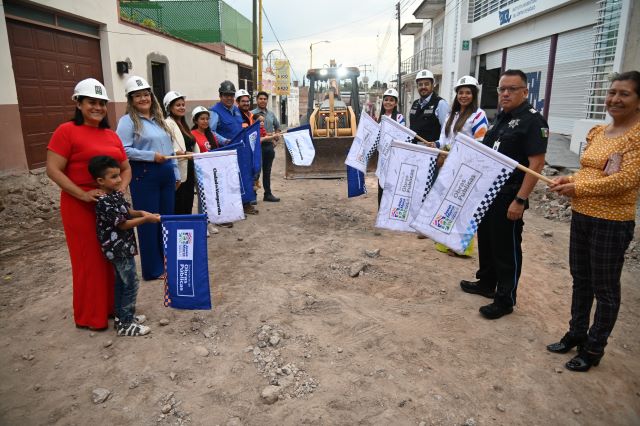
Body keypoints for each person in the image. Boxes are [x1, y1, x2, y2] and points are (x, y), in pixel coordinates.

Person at [546, 71, 640, 372]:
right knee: (581, 280)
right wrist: (568, 179)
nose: (614, 99)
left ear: (638, 101)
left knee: (605, 288)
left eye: (624, 93)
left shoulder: (637, 136)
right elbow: (589, 171)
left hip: (612, 222)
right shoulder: (600, 131)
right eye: (612, 92)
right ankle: (576, 333)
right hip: (582, 215)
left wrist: (579, 188)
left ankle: (594, 347)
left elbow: (626, 180)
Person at [459, 69, 548, 320]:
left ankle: (505, 299)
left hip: (510, 195)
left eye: (512, 89)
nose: (505, 94)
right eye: (502, 89)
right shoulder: (501, 118)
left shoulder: (533, 121)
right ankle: (487, 283)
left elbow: (536, 164)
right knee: (487, 240)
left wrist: (520, 199)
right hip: (489, 192)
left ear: (525, 92)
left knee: (506, 247)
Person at [46, 78, 127, 331]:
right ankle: (91, 316)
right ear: (78, 103)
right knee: (88, 260)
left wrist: (120, 188)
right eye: (92, 102)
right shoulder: (66, 131)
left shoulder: (111, 135)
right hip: (80, 206)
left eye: (102, 103)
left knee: (110, 257)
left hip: (108, 206)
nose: (98, 107)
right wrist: (82, 195)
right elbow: (53, 170)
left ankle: (110, 307)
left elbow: (125, 167)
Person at [116, 75, 179, 280]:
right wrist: (151, 156)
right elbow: (123, 150)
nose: (143, 99)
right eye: (137, 96)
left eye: (146, 94)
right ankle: (153, 269)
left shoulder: (159, 120)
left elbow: (170, 149)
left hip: (166, 173)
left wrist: (176, 173)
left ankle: (168, 262)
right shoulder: (127, 122)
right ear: (131, 99)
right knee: (149, 221)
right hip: (145, 175)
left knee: (166, 219)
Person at [89, 156, 158, 336]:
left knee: (122, 282)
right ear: (100, 181)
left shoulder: (116, 194)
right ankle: (126, 324)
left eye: (119, 175)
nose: (120, 179)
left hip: (125, 246)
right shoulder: (104, 201)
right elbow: (122, 224)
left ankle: (122, 317)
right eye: (113, 177)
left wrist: (141, 213)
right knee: (131, 284)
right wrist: (146, 220)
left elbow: (128, 212)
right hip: (117, 249)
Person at [434, 76, 489, 257]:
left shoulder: (479, 115)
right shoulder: (451, 114)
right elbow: (444, 138)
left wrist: (457, 153)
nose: (464, 96)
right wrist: (436, 146)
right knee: (448, 203)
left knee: (464, 206)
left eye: (468, 93)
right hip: (449, 166)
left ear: (474, 95)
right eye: (461, 92)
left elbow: (480, 142)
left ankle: (462, 247)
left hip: (467, 167)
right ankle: (446, 242)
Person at [209, 81, 258, 215]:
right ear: (220, 96)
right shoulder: (215, 112)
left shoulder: (236, 110)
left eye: (231, 95)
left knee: (243, 177)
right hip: (226, 152)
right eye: (226, 95)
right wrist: (224, 141)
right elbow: (211, 131)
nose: (229, 98)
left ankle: (245, 203)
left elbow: (241, 126)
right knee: (228, 180)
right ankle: (231, 208)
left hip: (240, 151)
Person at [164, 91, 200, 215]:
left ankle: (187, 226)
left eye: (183, 105)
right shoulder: (167, 123)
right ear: (169, 108)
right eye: (178, 105)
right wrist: (184, 153)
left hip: (189, 169)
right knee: (179, 204)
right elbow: (166, 148)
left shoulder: (183, 123)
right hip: (178, 171)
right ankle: (180, 227)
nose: (182, 107)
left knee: (188, 202)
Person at [376, 88, 406, 207]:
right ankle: (381, 210)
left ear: (396, 103)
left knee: (392, 185)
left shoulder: (399, 118)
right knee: (381, 184)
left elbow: (402, 136)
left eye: (391, 100)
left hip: (394, 158)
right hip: (382, 158)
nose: (388, 102)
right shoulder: (381, 117)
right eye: (386, 100)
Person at [252, 91, 281, 202]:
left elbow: (277, 127)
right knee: (256, 171)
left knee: (267, 172)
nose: (263, 101)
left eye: (265, 99)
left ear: (267, 101)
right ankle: (253, 196)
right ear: (257, 100)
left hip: (269, 147)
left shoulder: (271, 114)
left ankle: (267, 194)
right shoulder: (251, 114)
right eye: (260, 99)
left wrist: (276, 139)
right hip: (256, 147)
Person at [409, 69, 449, 144]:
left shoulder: (441, 104)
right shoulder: (415, 103)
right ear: (417, 86)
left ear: (433, 85)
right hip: (413, 148)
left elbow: (447, 132)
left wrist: (440, 146)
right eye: (420, 84)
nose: (423, 87)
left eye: (426, 84)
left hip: (431, 149)